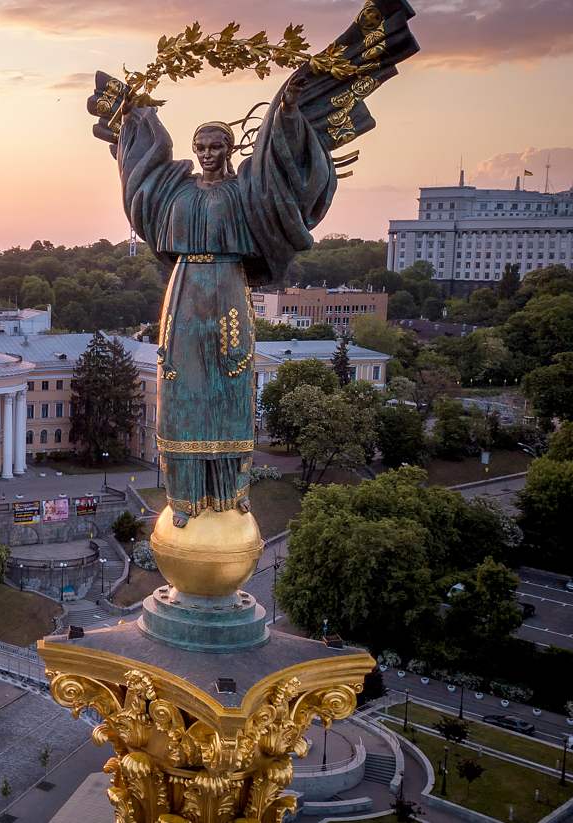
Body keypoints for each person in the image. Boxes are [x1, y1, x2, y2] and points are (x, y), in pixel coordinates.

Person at [87, 0, 417, 527]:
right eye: (201, 146)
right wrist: (133, 115)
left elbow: (279, 165)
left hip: (228, 290)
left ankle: (231, 491)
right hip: (184, 294)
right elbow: (141, 175)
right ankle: (185, 496)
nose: (208, 153)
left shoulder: (247, 192)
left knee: (231, 383)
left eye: (217, 146)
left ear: (230, 148)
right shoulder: (174, 191)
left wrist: (288, 108)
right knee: (183, 386)